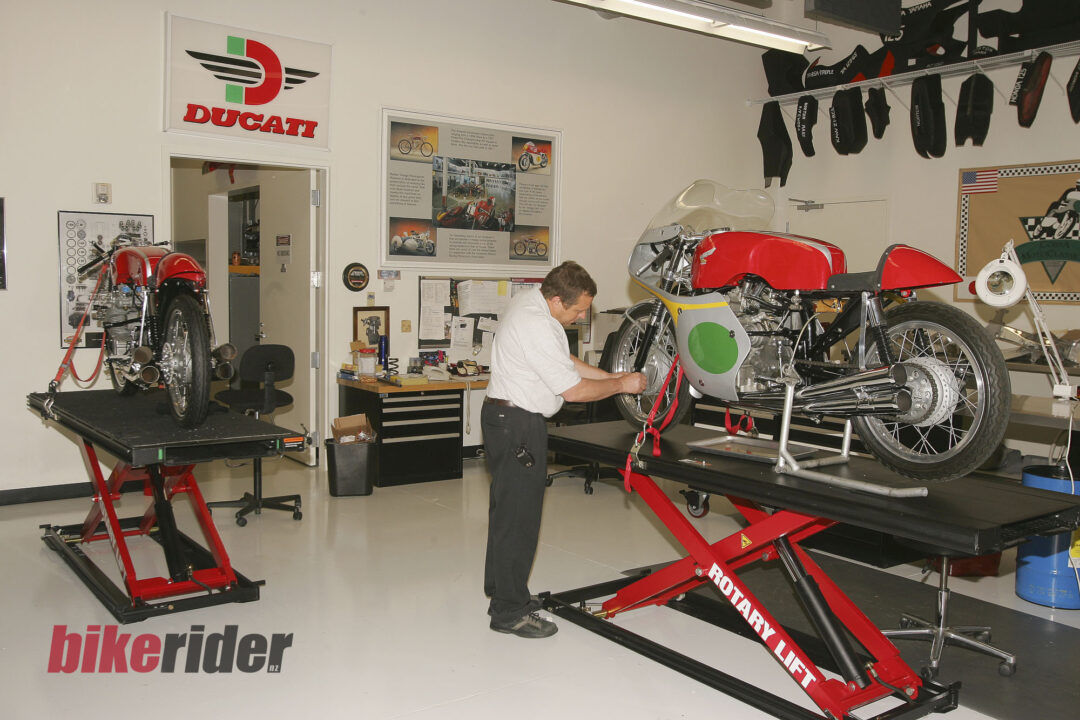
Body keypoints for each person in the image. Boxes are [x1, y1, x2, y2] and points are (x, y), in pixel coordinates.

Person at [482, 261, 647, 638]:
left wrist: (615, 377)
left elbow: (567, 364)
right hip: (517, 424)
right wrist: (621, 388)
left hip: (507, 419)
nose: (583, 315)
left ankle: (502, 592)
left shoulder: (532, 302)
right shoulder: (536, 324)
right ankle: (509, 611)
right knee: (520, 519)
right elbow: (573, 391)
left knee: (508, 512)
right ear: (556, 299)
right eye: (577, 309)